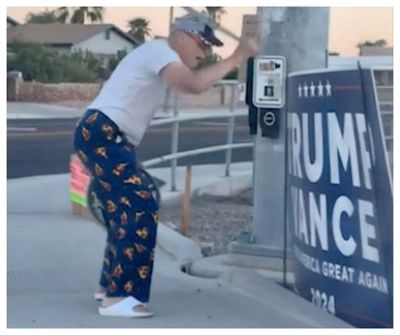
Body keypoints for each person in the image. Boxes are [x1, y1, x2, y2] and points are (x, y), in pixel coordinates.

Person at [73, 11, 257, 318]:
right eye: (203, 43)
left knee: (123, 212)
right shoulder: (161, 51)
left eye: (211, 47)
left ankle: (109, 289)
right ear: (184, 36)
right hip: (104, 134)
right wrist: (237, 56)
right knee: (141, 205)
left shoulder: (155, 53)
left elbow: (192, 83)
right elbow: (193, 85)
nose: (206, 52)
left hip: (102, 135)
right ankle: (121, 298)